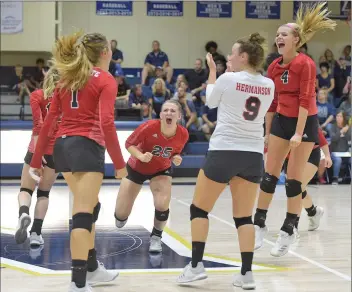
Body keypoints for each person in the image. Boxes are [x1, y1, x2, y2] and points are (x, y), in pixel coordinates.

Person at [28, 31, 127, 292]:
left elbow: (48, 123)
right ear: (106, 52)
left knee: (90, 208)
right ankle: (78, 282)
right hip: (86, 147)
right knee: (83, 214)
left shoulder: (67, 77)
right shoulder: (105, 79)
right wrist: (119, 163)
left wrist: (36, 161)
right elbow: (106, 122)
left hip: (61, 148)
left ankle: (92, 269)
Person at [177, 32, 275, 290]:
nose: (228, 57)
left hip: (225, 150)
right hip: (253, 155)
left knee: (199, 209)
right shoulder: (268, 84)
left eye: (233, 53)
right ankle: (246, 274)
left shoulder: (227, 78)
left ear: (243, 57)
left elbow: (210, 102)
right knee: (244, 218)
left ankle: (196, 266)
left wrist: (213, 73)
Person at [253, 2, 336, 257]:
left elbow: (304, 100)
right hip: (281, 121)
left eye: (284, 34)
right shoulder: (273, 66)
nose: (278, 37)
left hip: (305, 123)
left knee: (293, 183)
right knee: (268, 176)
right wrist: (267, 132)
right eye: (277, 34)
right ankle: (259, 224)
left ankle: (289, 230)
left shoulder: (306, 64)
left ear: (296, 40)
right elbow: (273, 102)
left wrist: (299, 133)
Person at [114, 100, 189, 252]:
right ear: (161, 115)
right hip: (136, 167)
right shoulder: (149, 126)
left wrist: (176, 158)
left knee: (162, 204)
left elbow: (175, 152)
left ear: (179, 116)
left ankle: (156, 237)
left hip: (160, 169)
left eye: (173, 111)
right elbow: (129, 144)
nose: (169, 113)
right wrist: (141, 156)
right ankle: (121, 216)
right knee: (120, 217)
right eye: (166, 110)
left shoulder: (183, 133)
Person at [255, 128, 332, 251]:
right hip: (290, 157)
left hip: (311, 153)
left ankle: (293, 227)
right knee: (297, 189)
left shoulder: (303, 118)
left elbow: (319, 134)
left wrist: (327, 155)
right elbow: (270, 143)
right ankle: (313, 212)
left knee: (297, 186)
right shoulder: (278, 122)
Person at [15, 67, 60, 249]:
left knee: (26, 189)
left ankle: (23, 214)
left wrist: (36, 155)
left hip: (37, 148)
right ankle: (36, 233)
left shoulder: (36, 95)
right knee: (44, 193)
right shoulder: (65, 99)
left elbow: (38, 126)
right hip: (57, 151)